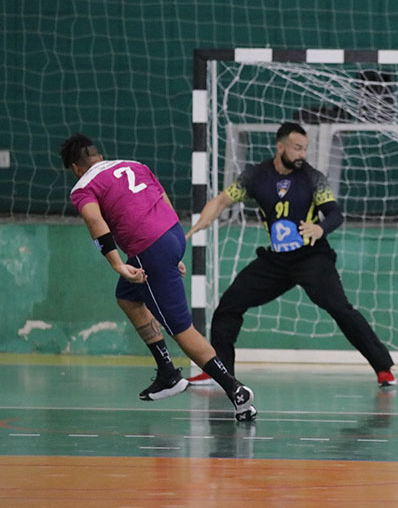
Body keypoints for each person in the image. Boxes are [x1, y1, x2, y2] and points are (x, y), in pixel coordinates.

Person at [60, 133, 256, 421]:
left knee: (182, 329)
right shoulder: (133, 164)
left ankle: (235, 390)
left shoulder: (83, 186)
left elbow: (93, 219)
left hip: (150, 249)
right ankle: (167, 372)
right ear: (98, 156)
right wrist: (170, 252)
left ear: (76, 168)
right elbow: (161, 197)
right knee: (127, 297)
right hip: (172, 233)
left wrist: (117, 263)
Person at [185, 122, 397, 387]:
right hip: (276, 261)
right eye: (297, 148)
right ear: (280, 147)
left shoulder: (313, 178)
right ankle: (220, 372)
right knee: (228, 306)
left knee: (340, 309)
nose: (302, 154)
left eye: (305, 149)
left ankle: (383, 369)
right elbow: (221, 201)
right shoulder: (255, 177)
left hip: (312, 257)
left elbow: (335, 213)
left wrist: (320, 229)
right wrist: (203, 221)